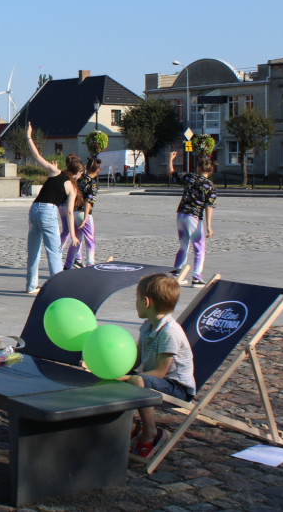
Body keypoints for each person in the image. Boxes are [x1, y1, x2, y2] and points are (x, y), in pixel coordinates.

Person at [121, 273, 195, 458]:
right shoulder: (147, 326)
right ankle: (128, 427)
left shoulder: (169, 332)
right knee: (118, 379)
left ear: (146, 302)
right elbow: (134, 361)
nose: (135, 303)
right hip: (154, 380)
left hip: (177, 387)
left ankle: (150, 432)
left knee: (137, 381)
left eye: (136, 299)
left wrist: (127, 377)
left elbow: (161, 372)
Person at [23, 125, 82, 294]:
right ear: (78, 172)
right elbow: (70, 212)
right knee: (54, 251)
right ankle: (58, 288)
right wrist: (72, 234)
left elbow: (36, 156)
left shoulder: (54, 171)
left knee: (33, 249)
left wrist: (28, 136)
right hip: (48, 212)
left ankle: (31, 285)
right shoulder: (72, 187)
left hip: (34, 209)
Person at [168, 150, 216, 287]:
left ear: (199, 168)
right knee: (199, 247)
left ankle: (175, 274)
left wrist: (170, 159)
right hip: (193, 217)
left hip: (181, 215)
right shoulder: (210, 187)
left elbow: (171, 173)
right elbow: (209, 207)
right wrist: (209, 226)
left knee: (183, 246)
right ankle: (197, 277)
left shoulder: (190, 177)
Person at [65, 156, 101, 269]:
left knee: (77, 239)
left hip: (74, 212)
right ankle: (90, 263)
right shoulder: (93, 183)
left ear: (86, 167)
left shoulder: (80, 179)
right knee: (90, 239)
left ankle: (68, 264)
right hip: (83, 213)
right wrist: (86, 216)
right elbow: (88, 201)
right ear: (98, 170)